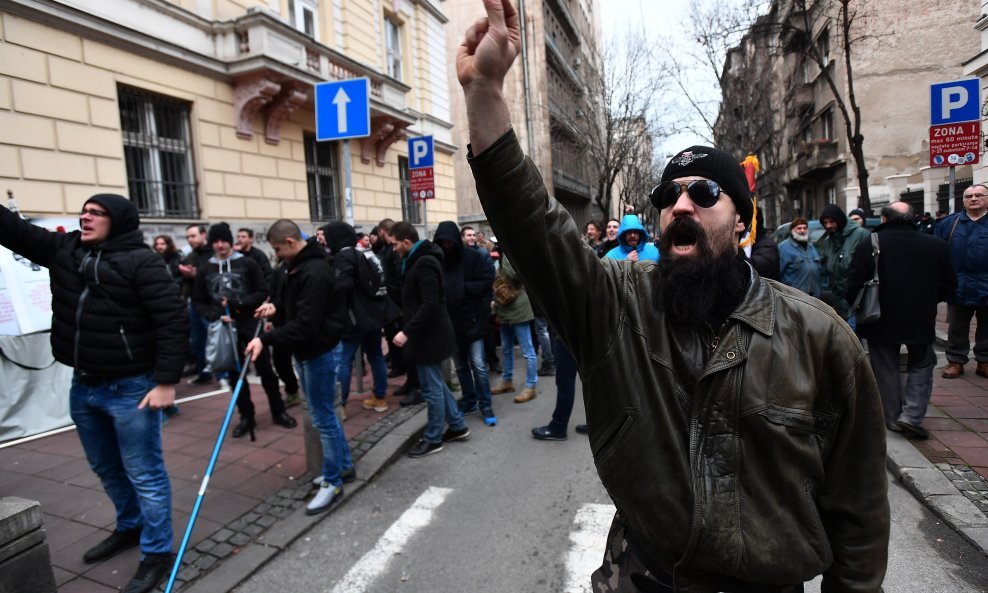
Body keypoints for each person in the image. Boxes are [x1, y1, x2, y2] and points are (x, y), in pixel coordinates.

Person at [455, 3, 889, 589]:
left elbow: (859, 512)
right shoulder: (616, 307)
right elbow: (534, 229)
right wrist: (485, 90)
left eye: (705, 192)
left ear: (742, 222)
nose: (681, 205)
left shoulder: (819, 338)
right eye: (670, 195)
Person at [1, 195, 188, 593]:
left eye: (96, 213)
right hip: (83, 385)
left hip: (131, 389)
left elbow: (172, 320)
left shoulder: (142, 262)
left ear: (117, 222)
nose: (85, 216)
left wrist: (166, 382)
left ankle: (157, 552)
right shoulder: (64, 249)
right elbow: (12, 229)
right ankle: (130, 525)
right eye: (84, 211)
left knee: (146, 474)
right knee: (106, 468)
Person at [245, 220, 354, 515]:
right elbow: (295, 304)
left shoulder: (314, 270)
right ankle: (343, 466)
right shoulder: (298, 267)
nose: (277, 254)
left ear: (291, 242)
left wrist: (264, 340)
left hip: (319, 350)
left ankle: (332, 481)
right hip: (308, 350)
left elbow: (307, 322)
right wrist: (276, 308)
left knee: (324, 417)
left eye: (278, 249)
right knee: (322, 414)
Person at [846, 202, 956, 438]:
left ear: (884, 219)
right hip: (920, 316)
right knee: (923, 364)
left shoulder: (871, 243)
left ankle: (893, 418)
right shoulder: (935, 244)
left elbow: (854, 281)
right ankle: (912, 415)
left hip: (879, 316)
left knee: (885, 368)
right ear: (912, 218)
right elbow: (949, 285)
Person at [192, 222, 296, 437]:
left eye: (224, 241)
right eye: (216, 241)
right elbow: (199, 301)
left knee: (266, 370)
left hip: (250, 323)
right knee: (234, 373)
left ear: (230, 241)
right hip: (223, 327)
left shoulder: (247, 264)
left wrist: (239, 304)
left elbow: (261, 291)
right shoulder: (205, 269)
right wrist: (215, 316)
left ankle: (279, 411)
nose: (220, 245)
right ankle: (246, 416)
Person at [390, 222, 471, 457]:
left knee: (431, 388)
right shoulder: (416, 259)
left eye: (395, 244)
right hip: (427, 333)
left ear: (406, 242)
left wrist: (407, 331)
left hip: (430, 335)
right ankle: (457, 425)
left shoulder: (424, 261)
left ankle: (434, 437)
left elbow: (430, 303)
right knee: (435, 383)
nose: (393, 249)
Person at [323, 221, 397, 414]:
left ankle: (342, 405)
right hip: (371, 316)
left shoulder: (342, 256)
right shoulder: (363, 253)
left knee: (344, 361)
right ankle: (380, 398)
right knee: (376, 356)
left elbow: (342, 286)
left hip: (353, 318)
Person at [435, 221, 497, 425]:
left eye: (449, 242)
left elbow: (486, 282)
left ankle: (485, 405)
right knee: (461, 367)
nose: (446, 246)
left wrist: (463, 288)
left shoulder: (473, 257)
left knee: (478, 365)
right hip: (451, 324)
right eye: (442, 242)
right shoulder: (440, 259)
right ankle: (469, 401)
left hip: (473, 321)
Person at [936, 183, 988, 378]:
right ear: (963, 201)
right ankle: (956, 361)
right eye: (969, 196)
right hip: (958, 285)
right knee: (957, 327)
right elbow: (937, 253)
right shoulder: (949, 224)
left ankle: (984, 361)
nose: (973, 199)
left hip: (986, 285)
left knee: (987, 326)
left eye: (978, 195)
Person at [490, 253, 539, 402]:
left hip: (518, 308)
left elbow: (516, 276)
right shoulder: (503, 253)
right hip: (504, 306)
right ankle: (507, 381)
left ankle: (531, 386)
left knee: (528, 350)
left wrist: (505, 259)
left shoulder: (512, 253)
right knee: (506, 348)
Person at [816, 203, 871, 322]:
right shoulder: (828, 242)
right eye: (825, 223)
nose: (828, 226)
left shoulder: (861, 235)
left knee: (853, 338)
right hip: (839, 302)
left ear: (839, 220)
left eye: (831, 221)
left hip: (858, 301)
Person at [180, 224, 216, 385]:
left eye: (193, 236)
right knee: (198, 341)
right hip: (194, 303)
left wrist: (196, 274)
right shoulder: (191, 255)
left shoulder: (213, 254)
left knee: (215, 340)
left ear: (203, 235)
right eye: (188, 237)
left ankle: (223, 375)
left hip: (210, 304)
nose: (190, 240)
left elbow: (214, 278)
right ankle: (203, 374)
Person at [777, 217, 823, 298]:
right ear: (792, 230)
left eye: (805, 228)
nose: (802, 231)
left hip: (814, 297)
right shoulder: (784, 248)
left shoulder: (811, 247)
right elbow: (777, 274)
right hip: (794, 298)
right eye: (799, 228)